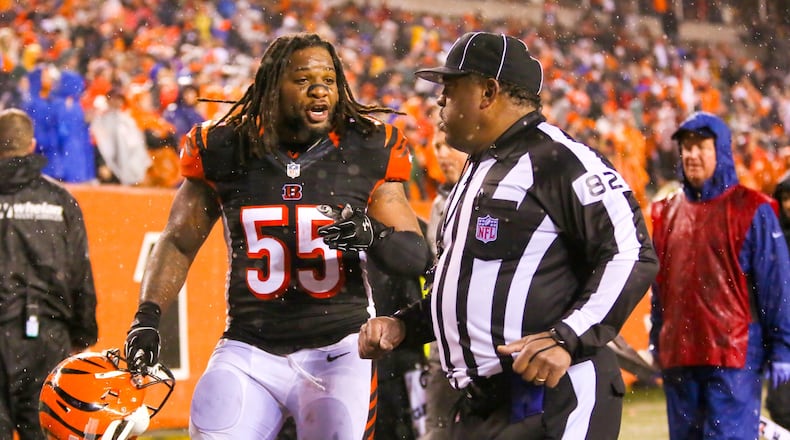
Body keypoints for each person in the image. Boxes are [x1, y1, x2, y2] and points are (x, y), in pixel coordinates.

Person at [123, 32, 431, 439]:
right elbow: (179, 241)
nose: (320, 89)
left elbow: (415, 256)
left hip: (337, 349)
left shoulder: (366, 146)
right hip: (249, 347)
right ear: (272, 86)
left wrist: (371, 234)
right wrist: (146, 318)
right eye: (303, 80)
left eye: (328, 79)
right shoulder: (225, 147)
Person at [357, 31, 659, 440]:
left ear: (487, 91)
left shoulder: (559, 158)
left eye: (450, 88)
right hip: (484, 402)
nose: (439, 100)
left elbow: (631, 252)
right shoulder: (478, 167)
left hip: (551, 397)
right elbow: (467, 287)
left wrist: (566, 338)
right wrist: (406, 325)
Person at [649, 111, 790, 440]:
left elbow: (775, 286)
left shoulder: (752, 208)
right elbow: (661, 288)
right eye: (686, 146)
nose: (691, 154)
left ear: (721, 151)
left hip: (734, 357)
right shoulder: (666, 212)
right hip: (680, 355)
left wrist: (783, 347)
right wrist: (658, 338)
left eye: (701, 146)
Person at [0, 108, 98, 439]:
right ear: (31, 145)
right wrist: (83, 334)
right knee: (42, 431)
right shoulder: (59, 200)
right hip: (47, 339)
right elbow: (79, 273)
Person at [421, 131, 465, 440]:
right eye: (437, 146)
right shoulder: (439, 203)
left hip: (487, 340)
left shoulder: (493, 193)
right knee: (437, 431)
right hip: (445, 342)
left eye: (449, 144)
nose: (441, 153)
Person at [766, 170, 790, 430]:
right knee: (781, 406)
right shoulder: (774, 236)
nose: (788, 205)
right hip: (783, 330)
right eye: (785, 198)